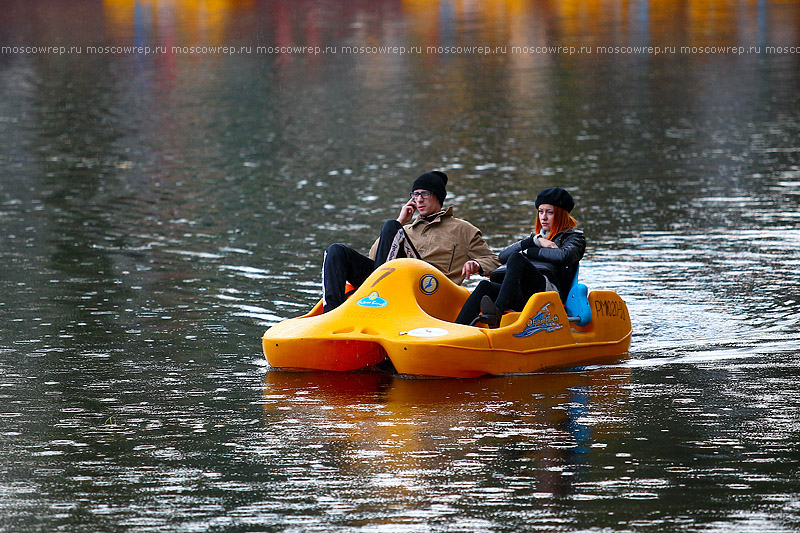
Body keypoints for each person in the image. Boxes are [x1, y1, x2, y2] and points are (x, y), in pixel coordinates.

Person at [322, 171, 501, 312]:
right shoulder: (404, 229)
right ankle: (331, 313)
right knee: (337, 250)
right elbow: (375, 257)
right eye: (415, 195)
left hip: (430, 289)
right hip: (395, 282)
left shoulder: (462, 229)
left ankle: (374, 298)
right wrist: (400, 222)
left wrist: (476, 263)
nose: (419, 199)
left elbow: (494, 261)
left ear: (438, 196)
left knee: (391, 227)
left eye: (424, 194)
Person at [454, 186, 586, 327]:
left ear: (561, 214)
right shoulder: (535, 239)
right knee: (485, 286)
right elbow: (502, 257)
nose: (543, 217)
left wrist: (529, 251)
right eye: (540, 212)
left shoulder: (574, 238)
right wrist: (533, 242)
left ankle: (497, 311)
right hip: (524, 292)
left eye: (550, 212)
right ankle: (458, 328)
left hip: (548, 294)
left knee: (517, 258)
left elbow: (563, 256)